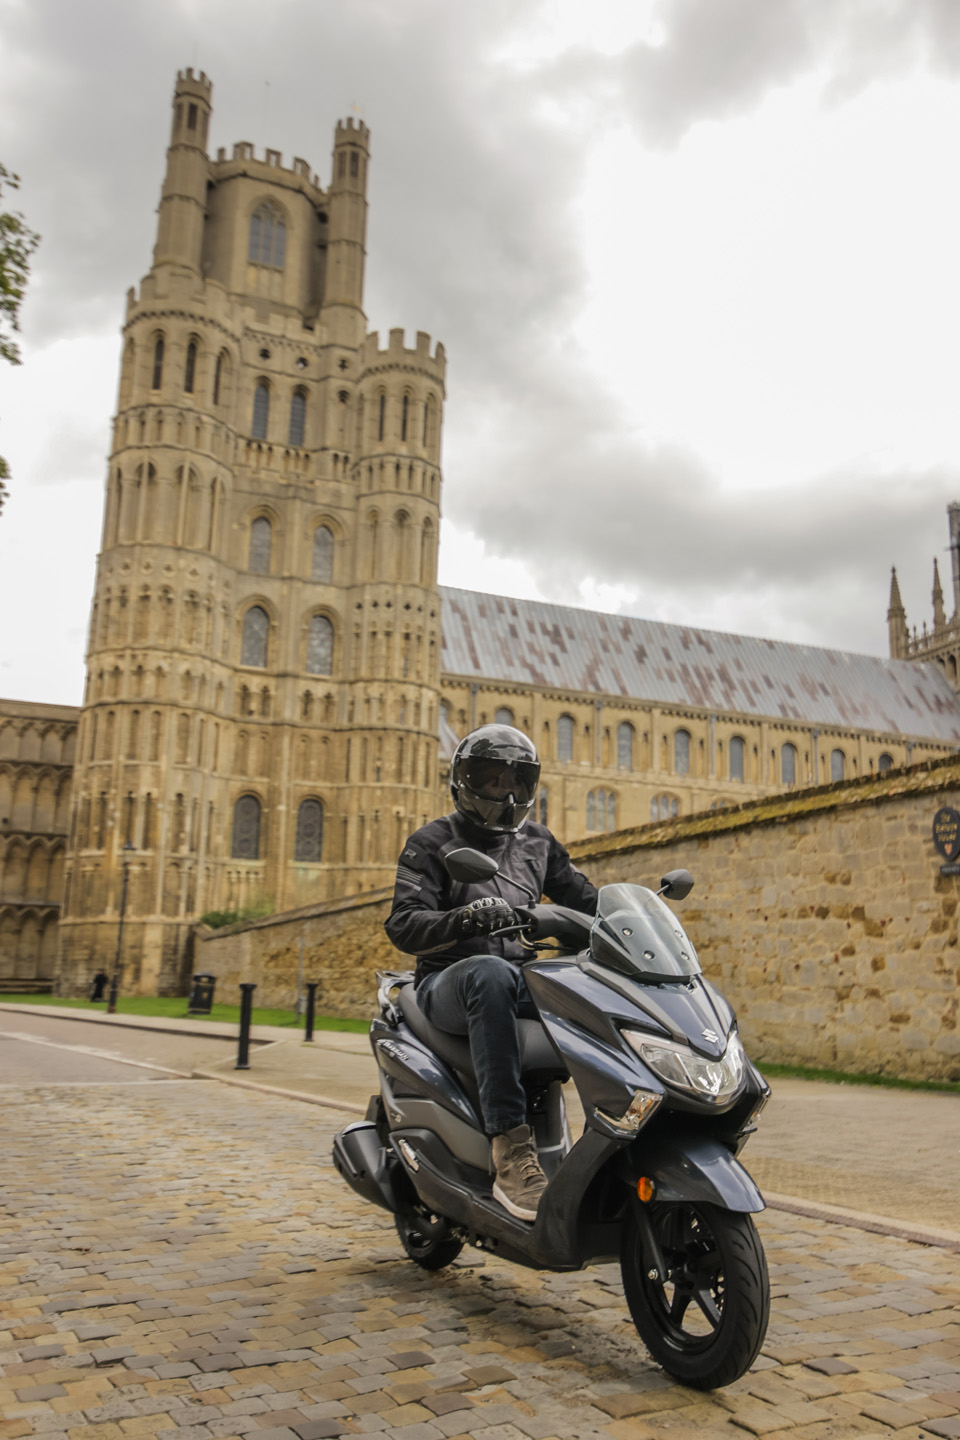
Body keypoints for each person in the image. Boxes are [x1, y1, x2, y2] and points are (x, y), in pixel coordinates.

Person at [385, 723, 597, 1222]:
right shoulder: (432, 842)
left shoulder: (540, 843)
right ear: (465, 781)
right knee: (490, 972)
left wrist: (633, 919)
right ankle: (510, 1148)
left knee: (585, 986)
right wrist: (461, 920)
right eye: (492, 779)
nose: (505, 791)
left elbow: (587, 899)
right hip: (449, 981)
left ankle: (608, 1136)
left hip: (519, 980)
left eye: (516, 781)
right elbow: (402, 923)